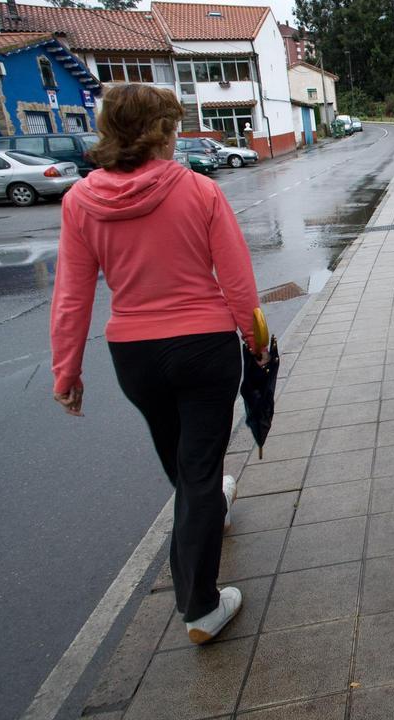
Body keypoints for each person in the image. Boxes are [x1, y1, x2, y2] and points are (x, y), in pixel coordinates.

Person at [50, 84, 265, 645]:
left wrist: (66, 371)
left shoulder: (80, 201)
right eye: (172, 128)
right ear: (161, 133)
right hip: (204, 347)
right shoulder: (199, 191)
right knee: (198, 470)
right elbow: (237, 279)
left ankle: (209, 506)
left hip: (136, 355)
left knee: (183, 459)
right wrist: (257, 340)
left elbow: (72, 295)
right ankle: (201, 607)